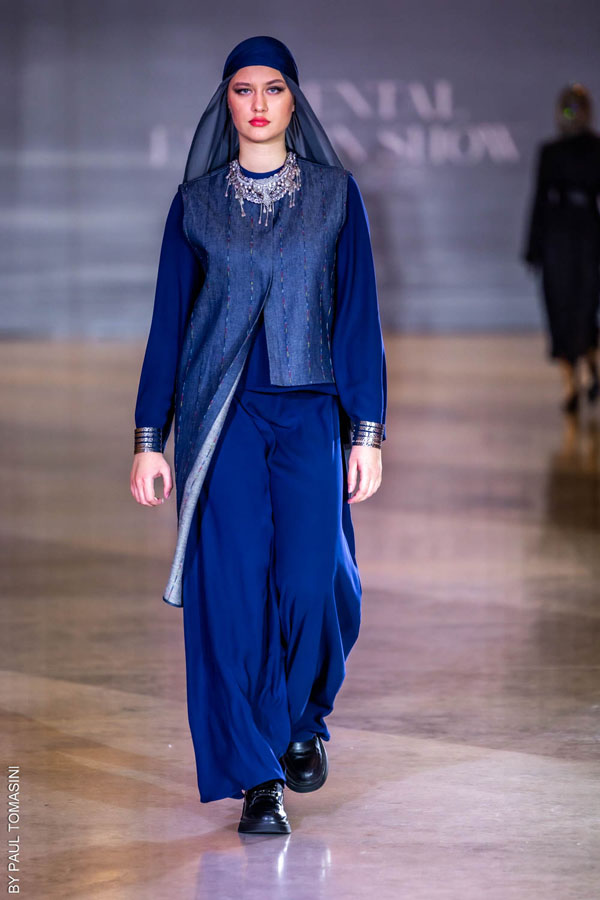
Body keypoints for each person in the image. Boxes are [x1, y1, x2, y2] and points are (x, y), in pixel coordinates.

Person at [130, 35, 387, 835]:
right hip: (225, 419)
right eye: (244, 90)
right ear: (227, 102)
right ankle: (259, 776)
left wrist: (367, 431)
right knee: (236, 592)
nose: (258, 104)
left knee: (317, 584)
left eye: (273, 88)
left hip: (310, 412)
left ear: (293, 100)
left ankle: (304, 718)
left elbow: (358, 318)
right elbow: (169, 325)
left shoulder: (337, 198)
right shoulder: (197, 204)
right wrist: (149, 438)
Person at [523, 83, 600, 415]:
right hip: (557, 239)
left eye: (576, 108)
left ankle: (589, 367)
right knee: (558, 309)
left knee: (584, 308)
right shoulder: (550, 152)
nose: (572, 115)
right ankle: (570, 383)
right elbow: (539, 200)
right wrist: (533, 246)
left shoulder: (596, 149)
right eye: (568, 108)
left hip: (587, 238)